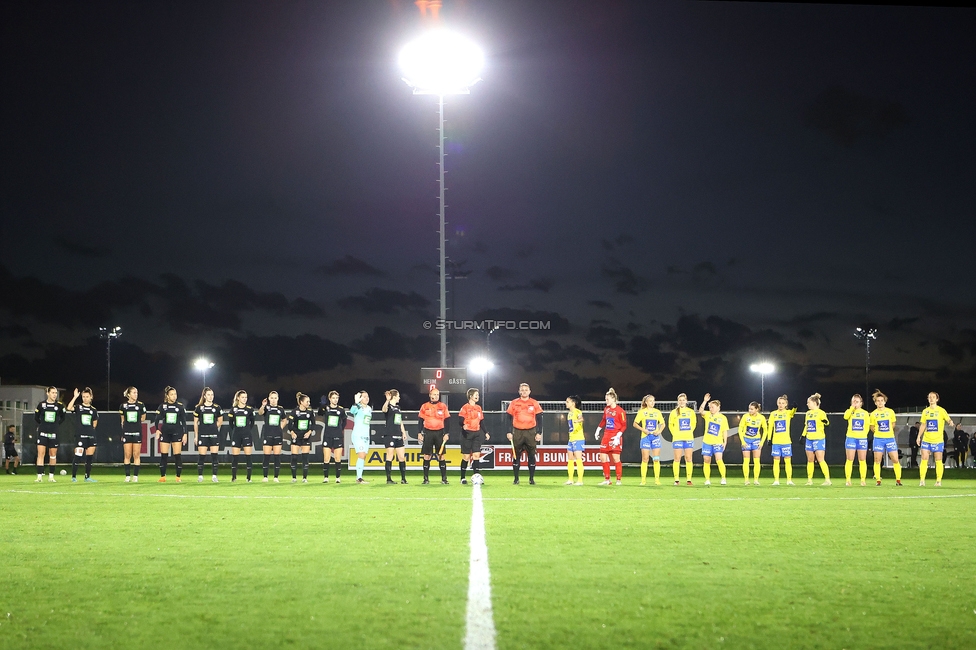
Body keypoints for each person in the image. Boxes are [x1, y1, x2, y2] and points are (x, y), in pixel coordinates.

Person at [505, 383, 544, 485]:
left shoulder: (534, 403)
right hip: (517, 432)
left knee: (531, 455)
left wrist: (539, 432)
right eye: (522, 390)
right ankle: (516, 479)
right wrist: (509, 431)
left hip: (531, 432)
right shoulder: (514, 403)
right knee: (516, 456)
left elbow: (540, 418)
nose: (524, 391)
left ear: (529, 391)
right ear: (519, 391)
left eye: (526, 390)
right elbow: (508, 418)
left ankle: (531, 479)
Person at [917, 392, 954, 487]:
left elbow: (948, 419)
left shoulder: (941, 410)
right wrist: (918, 436)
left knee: (938, 460)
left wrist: (950, 422)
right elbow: (923, 424)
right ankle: (922, 480)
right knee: (924, 459)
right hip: (926, 440)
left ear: (937, 399)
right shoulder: (925, 411)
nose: (931, 399)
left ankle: (938, 481)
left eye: (933, 397)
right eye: (930, 397)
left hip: (938, 440)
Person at [154, 386, 188, 483]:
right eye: (172, 394)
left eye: (175, 394)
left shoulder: (180, 407)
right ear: (167, 396)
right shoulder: (162, 406)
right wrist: (157, 429)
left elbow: (184, 422)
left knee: (177, 455)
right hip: (165, 433)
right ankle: (162, 476)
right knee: (164, 455)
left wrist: (185, 434)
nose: (174, 396)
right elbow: (156, 420)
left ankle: (178, 477)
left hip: (177, 433)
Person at [869, 390, 902, 486]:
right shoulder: (873, 414)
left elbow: (893, 423)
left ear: (885, 401)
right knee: (877, 460)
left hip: (889, 439)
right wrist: (876, 429)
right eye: (878, 401)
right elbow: (872, 427)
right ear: (875, 402)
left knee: (895, 459)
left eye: (881, 400)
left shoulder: (890, 412)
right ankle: (878, 480)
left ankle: (898, 480)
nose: (880, 402)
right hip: (878, 439)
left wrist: (887, 429)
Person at [419, 387, 451, 485]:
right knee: (427, 456)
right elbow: (420, 421)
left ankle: (444, 479)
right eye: (434, 394)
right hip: (428, 432)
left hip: (439, 433)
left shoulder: (443, 406)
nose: (436, 396)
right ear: (430, 395)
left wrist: (446, 433)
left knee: (441, 455)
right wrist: (419, 433)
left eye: (437, 394)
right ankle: (425, 479)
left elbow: (447, 421)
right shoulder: (424, 406)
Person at [596, 388, 627, 485]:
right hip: (606, 436)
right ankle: (607, 479)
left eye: (607, 399)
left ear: (613, 399)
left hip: (615, 437)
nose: (606, 401)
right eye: (605, 399)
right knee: (603, 457)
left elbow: (624, 425)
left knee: (616, 459)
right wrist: (598, 430)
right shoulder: (606, 409)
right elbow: (604, 421)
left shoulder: (620, 411)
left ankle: (618, 480)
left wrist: (618, 435)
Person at [66, 387, 98, 482]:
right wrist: (75, 397)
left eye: (87, 396)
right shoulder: (79, 407)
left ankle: (87, 477)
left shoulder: (93, 410)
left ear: (91, 397)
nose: (85, 398)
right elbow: (68, 408)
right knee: (78, 456)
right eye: (83, 396)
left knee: (89, 458)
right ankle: (74, 477)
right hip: (80, 436)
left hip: (91, 436)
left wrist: (90, 431)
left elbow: (94, 423)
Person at [458, 388, 489, 485]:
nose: (477, 396)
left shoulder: (479, 408)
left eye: (478, 395)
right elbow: (460, 420)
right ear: (470, 396)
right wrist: (463, 425)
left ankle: (477, 476)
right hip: (466, 434)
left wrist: (486, 432)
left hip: (477, 434)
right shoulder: (465, 407)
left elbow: (482, 421)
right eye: (476, 395)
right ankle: (462, 478)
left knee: (476, 455)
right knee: (466, 457)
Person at [34, 386, 65, 482]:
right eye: (53, 392)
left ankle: (51, 476)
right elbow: (36, 417)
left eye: (56, 393)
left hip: (54, 433)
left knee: (53, 454)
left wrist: (54, 426)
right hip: (42, 433)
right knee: (41, 453)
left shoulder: (60, 406)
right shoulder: (41, 405)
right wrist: (43, 425)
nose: (55, 395)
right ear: (47, 393)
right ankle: (39, 476)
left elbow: (63, 418)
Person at [633, 394, 665, 486]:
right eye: (650, 401)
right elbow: (635, 424)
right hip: (645, 437)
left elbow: (663, 424)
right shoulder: (642, 412)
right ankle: (643, 480)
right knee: (645, 458)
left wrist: (659, 431)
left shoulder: (657, 412)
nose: (652, 402)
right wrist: (643, 430)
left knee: (656, 459)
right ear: (646, 402)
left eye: (653, 401)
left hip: (655, 437)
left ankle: (657, 480)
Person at [698, 393, 729, 486]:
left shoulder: (723, 418)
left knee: (719, 459)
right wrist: (705, 401)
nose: (711, 408)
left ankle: (723, 478)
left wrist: (725, 442)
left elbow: (724, 431)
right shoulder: (707, 415)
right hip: (707, 442)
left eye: (713, 407)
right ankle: (707, 479)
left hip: (718, 442)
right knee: (706, 460)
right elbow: (700, 411)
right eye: (710, 407)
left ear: (718, 407)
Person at [193, 387, 222, 483]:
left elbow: (220, 421)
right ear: (204, 396)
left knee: (214, 456)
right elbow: (195, 423)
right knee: (202, 456)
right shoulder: (199, 408)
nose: (211, 396)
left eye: (212, 395)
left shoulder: (217, 408)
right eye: (209, 395)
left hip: (214, 435)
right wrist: (196, 436)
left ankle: (214, 476)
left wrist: (213, 428)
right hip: (202, 435)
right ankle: (200, 476)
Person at [801, 393, 831, 486]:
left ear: (814, 403)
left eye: (808, 402)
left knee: (820, 459)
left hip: (819, 438)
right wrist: (803, 435)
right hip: (809, 439)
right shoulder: (808, 413)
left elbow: (826, 422)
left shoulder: (821, 412)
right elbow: (807, 425)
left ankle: (827, 479)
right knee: (810, 460)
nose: (807, 404)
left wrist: (825, 421)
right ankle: (809, 480)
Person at [668, 393, 697, 486]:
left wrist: (689, 432)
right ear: (678, 401)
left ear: (686, 401)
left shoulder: (691, 412)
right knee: (677, 458)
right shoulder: (674, 412)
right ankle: (676, 479)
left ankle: (689, 479)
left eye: (683, 400)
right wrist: (675, 434)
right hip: (677, 438)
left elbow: (693, 424)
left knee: (688, 458)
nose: (682, 401)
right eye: (680, 400)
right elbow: (670, 425)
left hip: (688, 438)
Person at [228, 390, 256, 482]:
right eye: (243, 397)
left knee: (248, 457)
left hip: (247, 435)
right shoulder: (233, 410)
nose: (244, 399)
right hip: (236, 435)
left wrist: (246, 429)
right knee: (235, 458)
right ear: (238, 398)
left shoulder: (250, 409)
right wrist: (237, 430)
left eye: (246, 397)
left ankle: (248, 478)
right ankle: (234, 477)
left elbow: (252, 422)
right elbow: (231, 423)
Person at [120, 387, 147, 482]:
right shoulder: (123, 406)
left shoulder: (140, 405)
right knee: (127, 454)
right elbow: (122, 420)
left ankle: (135, 476)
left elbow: (143, 418)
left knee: (136, 454)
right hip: (127, 432)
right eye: (134, 393)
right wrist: (123, 433)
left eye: (137, 392)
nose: (136, 394)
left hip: (137, 432)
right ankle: (127, 476)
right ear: (129, 394)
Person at [286, 392, 314, 483]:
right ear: (301, 402)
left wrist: (309, 432)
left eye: (309, 401)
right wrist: (292, 432)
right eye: (307, 401)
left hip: (306, 437)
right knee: (294, 458)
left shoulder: (310, 412)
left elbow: (313, 424)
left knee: (305, 458)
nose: (308, 403)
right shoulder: (294, 412)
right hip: (296, 437)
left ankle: (304, 478)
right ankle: (294, 478)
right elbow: (290, 424)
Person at [767, 395, 796, 486]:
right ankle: (776, 480)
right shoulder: (773, 414)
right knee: (776, 460)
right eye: (779, 403)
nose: (781, 405)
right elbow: (770, 427)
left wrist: (795, 407)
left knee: (788, 460)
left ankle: (789, 480)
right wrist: (769, 438)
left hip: (786, 441)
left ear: (786, 404)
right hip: (776, 441)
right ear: (777, 403)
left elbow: (793, 412)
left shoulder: (788, 413)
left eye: (783, 403)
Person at [382, 390, 409, 484]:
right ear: (394, 397)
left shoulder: (398, 407)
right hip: (389, 434)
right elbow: (384, 410)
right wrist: (387, 400)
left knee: (401, 457)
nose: (399, 398)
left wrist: (403, 432)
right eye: (398, 396)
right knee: (390, 456)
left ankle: (403, 479)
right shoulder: (388, 406)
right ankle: (389, 479)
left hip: (398, 434)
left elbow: (400, 420)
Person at [258, 391, 285, 482]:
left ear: (278, 399)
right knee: (266, 456)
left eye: (275, 398)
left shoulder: (280, 409)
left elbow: (284, 420)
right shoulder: (267, 408)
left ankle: (276, 477)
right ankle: (265, 476)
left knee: (277, 457)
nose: (273, 400)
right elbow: (260, 413)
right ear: (269, 399)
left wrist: (281, 427)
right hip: (267, 435)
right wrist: (263, 405)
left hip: (277, 435)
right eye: (272, 398)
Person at [843, 394, 870, 487]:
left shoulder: (865, 413)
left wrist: (863, 435)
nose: (855, 403)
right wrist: (851, 408)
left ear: (861, 403)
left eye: (857, 402)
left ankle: (863, 480)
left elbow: (867, 426)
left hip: (862, 439)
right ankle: (848, 479)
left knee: (862, 459)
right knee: (849, 459)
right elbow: (845, 417)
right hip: (851, 438)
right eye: (853, 401)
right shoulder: (849, 411)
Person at [319, 391, 346, 483]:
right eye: (333, 398)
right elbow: (319, 413)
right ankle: (326, 478)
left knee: (337, 458)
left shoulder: (341, 410)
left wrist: (340, 429)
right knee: (326, 458)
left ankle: (338, 478)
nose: (335, 400)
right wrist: (322, 405)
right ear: (330, 399)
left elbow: (344, 421)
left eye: (337, 398)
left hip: (337, 436)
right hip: (327, 436)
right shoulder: (326, 408)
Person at [738, 402, 767, 486]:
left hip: (756, 440)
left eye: (752, 409)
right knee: (746, 460)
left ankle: (756, 480)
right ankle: (746, 480)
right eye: (749, 409)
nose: (749, 410)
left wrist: (762, 442)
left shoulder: (761, 418)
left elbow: (765, 430)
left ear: (757, 409)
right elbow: (740, 429)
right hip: (746, 440)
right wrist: (743, 441)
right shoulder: (745, 416)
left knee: (757, 460)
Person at [349, 391, 372, 484]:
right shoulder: (358, 407)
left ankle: (360, 476)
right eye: (364, 397)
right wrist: (356, 403)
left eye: (367, 396)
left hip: (366, 435)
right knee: (361, 455)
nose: (366, 398)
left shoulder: (369, 408)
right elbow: (352, 411)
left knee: (364, 456)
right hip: (358, 435)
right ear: (360, 398)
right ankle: (359, 478)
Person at [565, 395, 586, 485]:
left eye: (567, 402)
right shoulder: (569, 414)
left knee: (578, 458)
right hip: (571, 438)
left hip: (578, 438)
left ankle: (580, 480)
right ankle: (570, 479)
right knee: (570, 458)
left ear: (573, 403)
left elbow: (581, 418)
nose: (566, 403)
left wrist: (578, 421)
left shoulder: (577, 411)